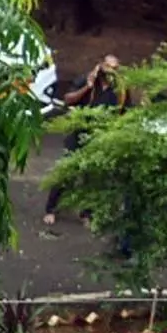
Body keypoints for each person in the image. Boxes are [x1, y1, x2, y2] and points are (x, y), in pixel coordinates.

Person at [43, 54, 123, 228]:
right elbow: (68, 99)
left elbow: (124, 111)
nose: (110, 72)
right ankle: (51, 209)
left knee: (92, 177)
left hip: (99, 136)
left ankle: (87, 213)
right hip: (78, 133)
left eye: (114, 69)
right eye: (107, 67)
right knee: (66, 171)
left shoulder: (119, 89)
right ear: (101, 66)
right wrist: (87, 87)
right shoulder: (88, 80)